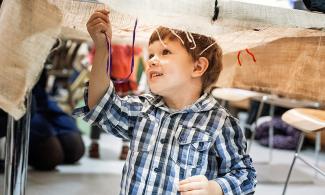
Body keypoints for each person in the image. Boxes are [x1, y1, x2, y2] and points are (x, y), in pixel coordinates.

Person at [74, 9, 257, 194]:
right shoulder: (143, 110)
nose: (152, 60)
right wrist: (102, 47)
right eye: (150, 54)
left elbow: (245, 176)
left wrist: (214, 188)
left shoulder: (220, 124)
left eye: (165, 52)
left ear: (198, 66)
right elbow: (101, 106)